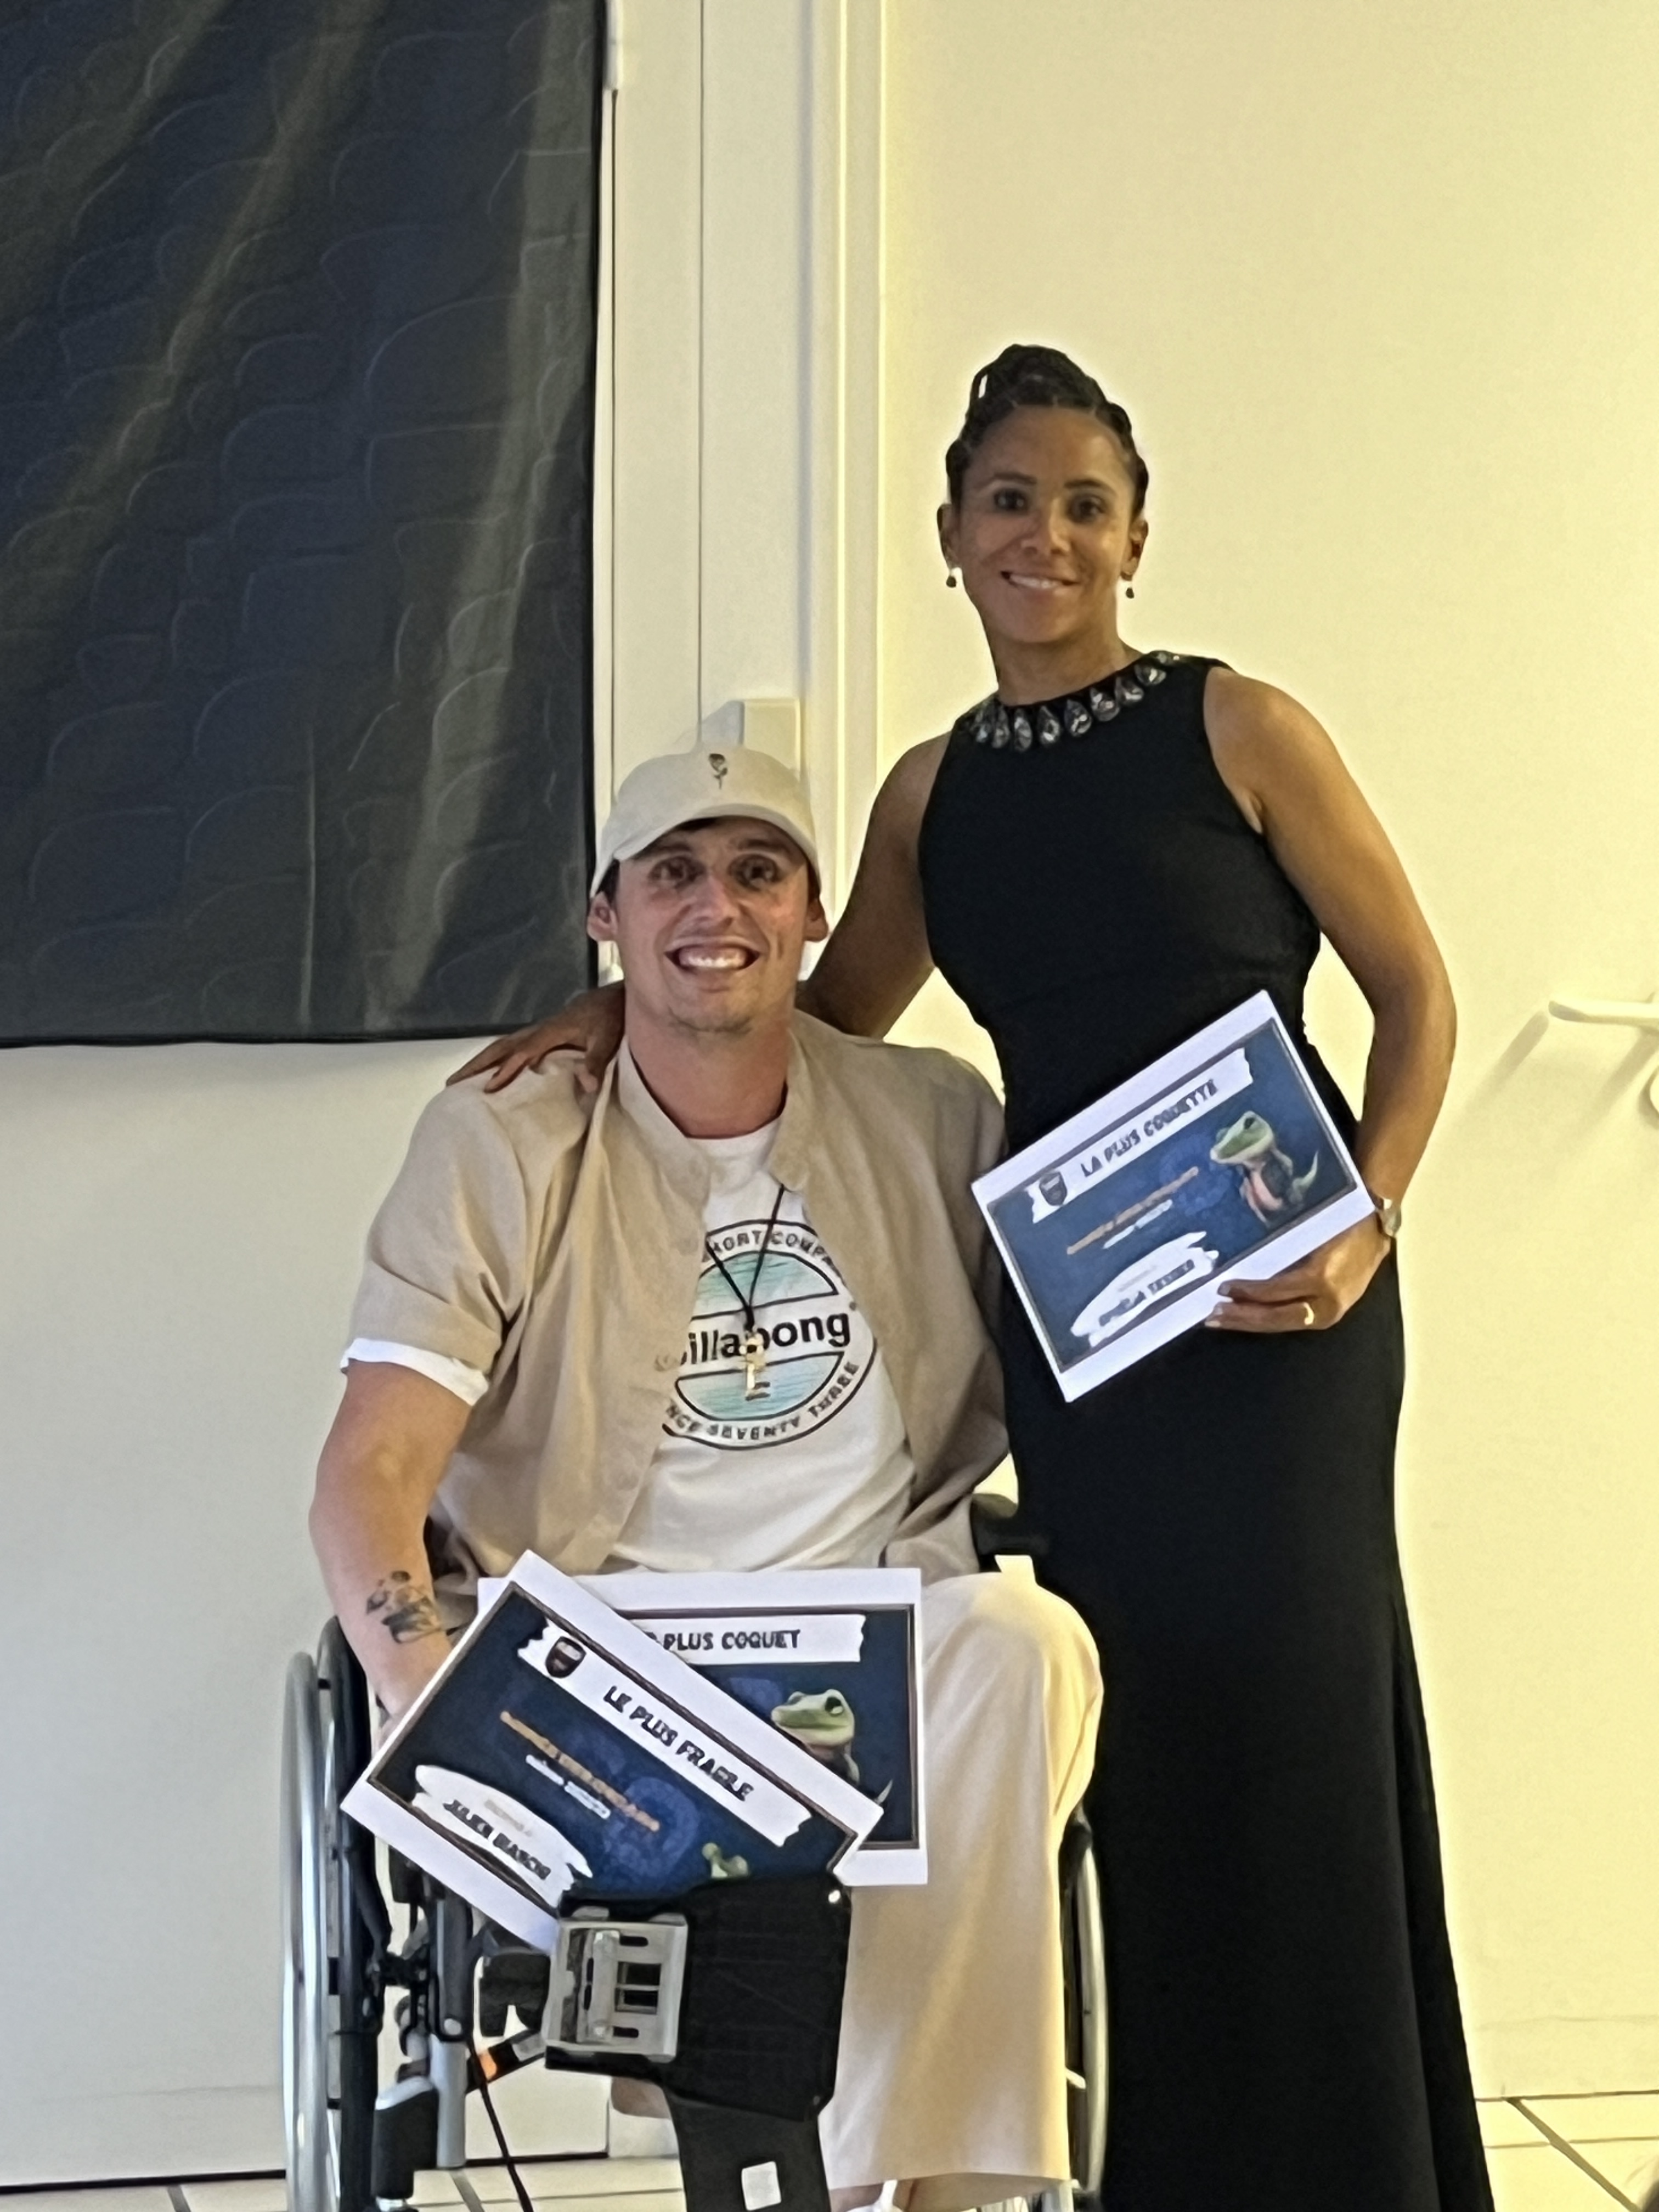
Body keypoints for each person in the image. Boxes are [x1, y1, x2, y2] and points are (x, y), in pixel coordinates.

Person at [454, 346, 1491, 2211]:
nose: (1047, 537)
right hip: (1079, 1328)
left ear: (1138, 537)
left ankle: (1358, 2173)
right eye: (1010, 501)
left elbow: (1416, 994)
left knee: (1299, 1718)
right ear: (950, 534)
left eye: (1087, 505)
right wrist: (622, 1004)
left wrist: (1373, 1214)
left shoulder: (1240, 726)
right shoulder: (932, 795)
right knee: (1134, 1731)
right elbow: (816, 1016)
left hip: (1280, 1310)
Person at [311, 738, 1103, 2212]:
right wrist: (425, 1690)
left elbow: (1093, 1295)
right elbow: (370, 1469)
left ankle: (918, 2196)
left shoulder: (932, 1117)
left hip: (867, 1644)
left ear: (814, 913)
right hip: (606, 1655)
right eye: (672, 871)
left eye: (756, 871)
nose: (716, 905)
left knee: (1025, 1639)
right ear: (605, 915)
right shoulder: (501, 1143)